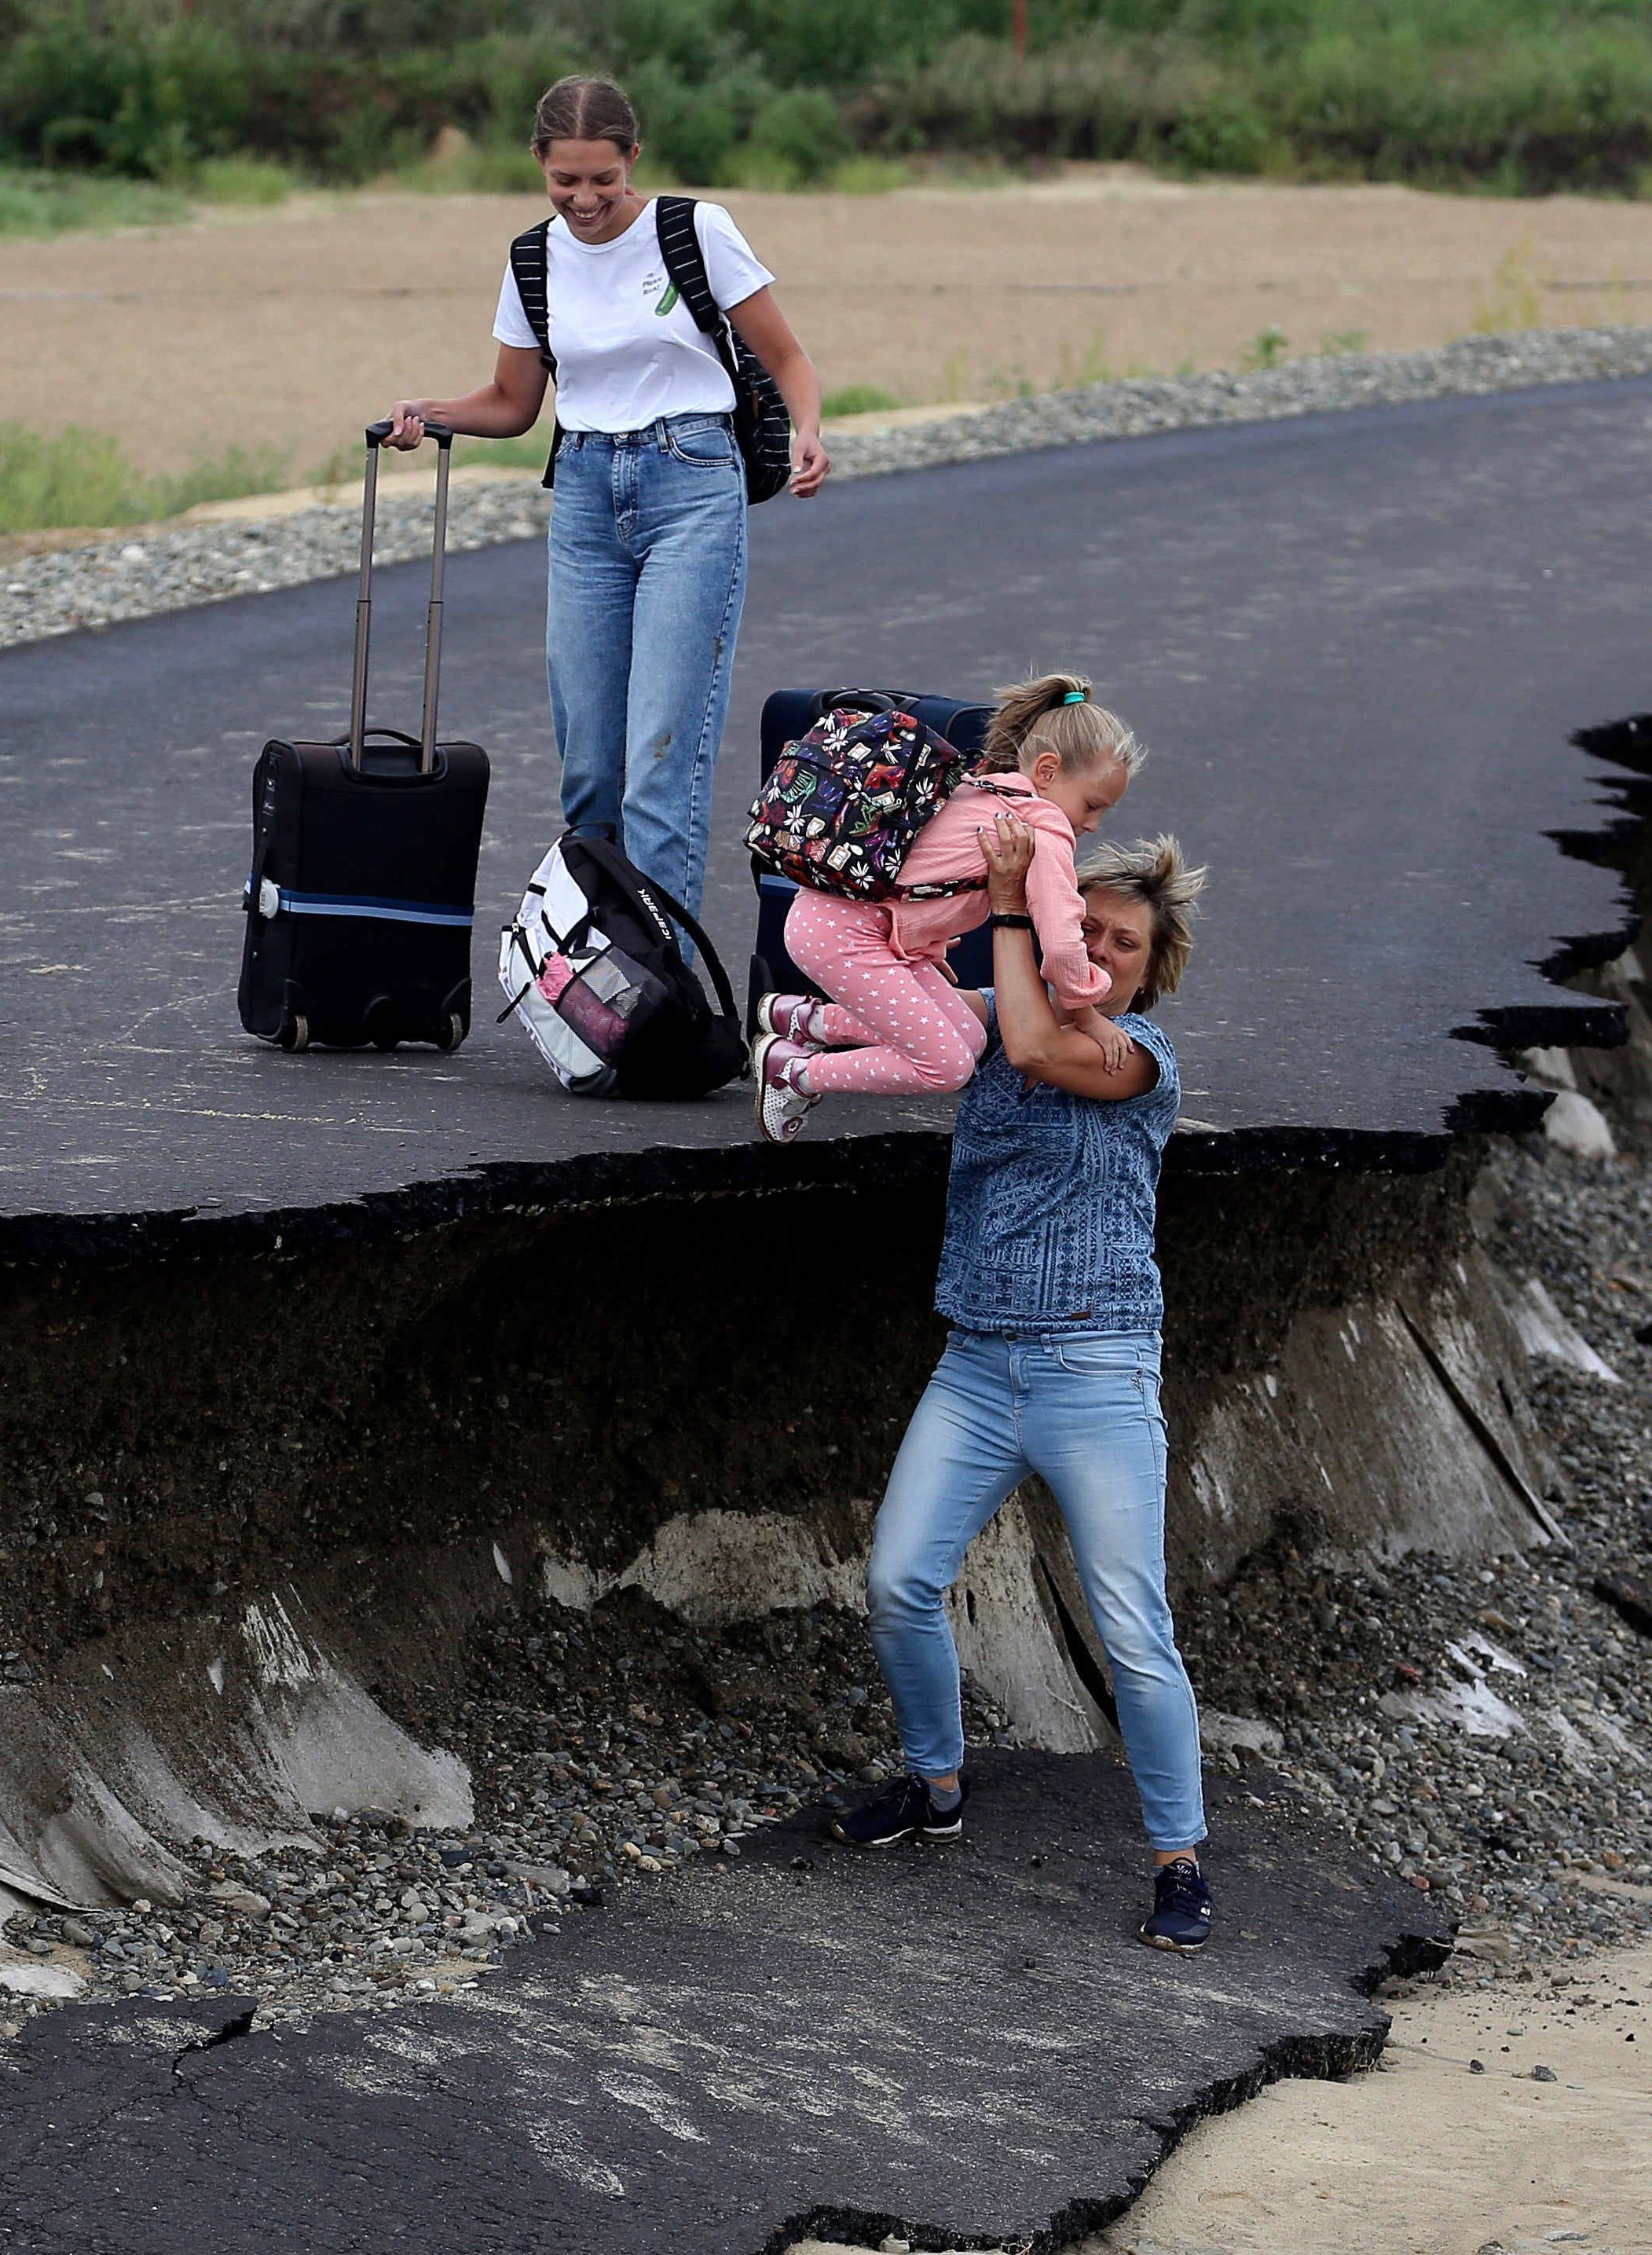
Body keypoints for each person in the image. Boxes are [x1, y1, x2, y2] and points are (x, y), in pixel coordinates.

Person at [830, 825, 1222, 1955]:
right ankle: (936, 1786)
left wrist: (1011, 910)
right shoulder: (992, 1023)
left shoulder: (1138, 1056)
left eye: (1122, 940)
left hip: (1097, 1370)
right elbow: (906, 993)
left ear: (1150, 970)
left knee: (1130, 1625)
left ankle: (1179, 1859)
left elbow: (1054, 1053)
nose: (1096, 946)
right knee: (900, 1578)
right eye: (1081, 922)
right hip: (976, 1363)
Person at [382, 74, 826, 922]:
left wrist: (808, 427)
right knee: (589, 764)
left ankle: (667, 985)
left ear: (633, 158)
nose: (583, 199)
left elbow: (786, 357)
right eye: (564, 181)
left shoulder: (695, 231)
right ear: (540, 166)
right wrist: (426, 413)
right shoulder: (532, 257)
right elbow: (513, 404)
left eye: (601, 178)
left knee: (662, 758)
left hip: (691, 481)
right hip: (584, 491)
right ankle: (602, 975)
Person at [749, 674, 1134, 1146]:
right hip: (844, 938)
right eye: (1093, 806)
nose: (1092, 825)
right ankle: (795, 1072)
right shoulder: (1045, 823)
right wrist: (1086, 1012)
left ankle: (804, 1021)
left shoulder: (983, 785)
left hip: (838, 921)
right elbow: (1060, 937)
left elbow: (922, 870)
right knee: (946, 1068)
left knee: (970, 1038)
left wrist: (923, 936)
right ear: (1049, 771)